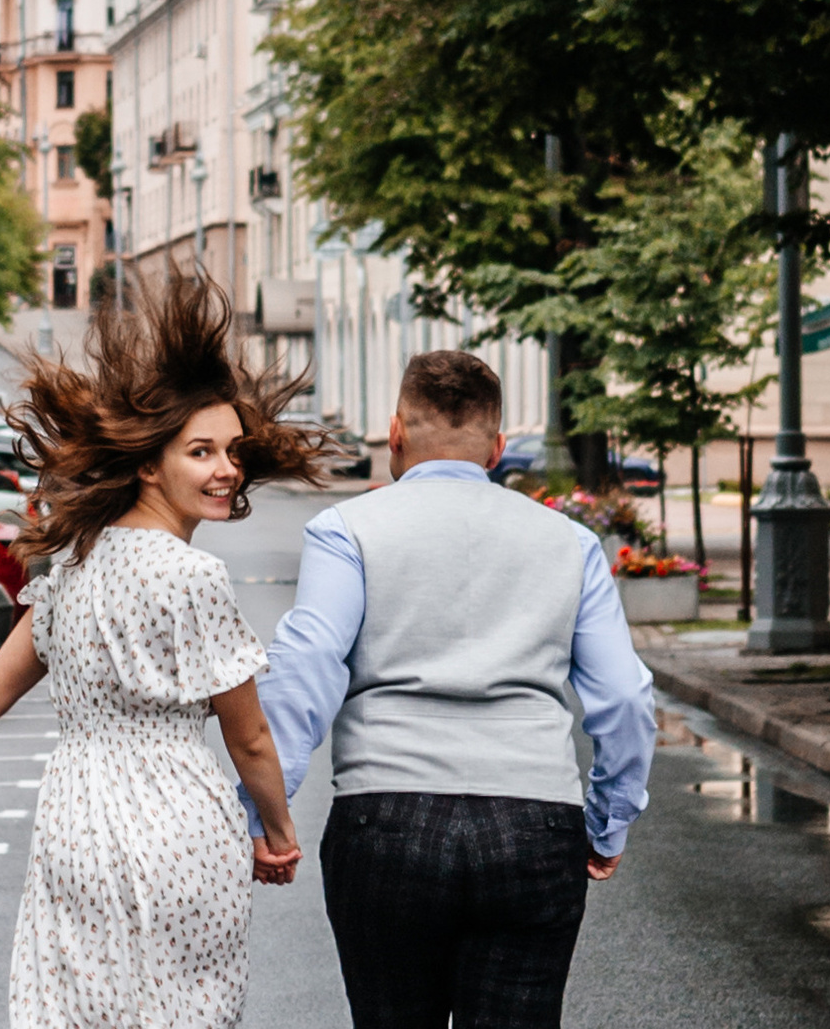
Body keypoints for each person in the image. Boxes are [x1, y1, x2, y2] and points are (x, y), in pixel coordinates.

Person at [0, 273, 330, 1029]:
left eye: (233, 451)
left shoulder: (73, 569)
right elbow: (248, 735)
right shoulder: (194, 576)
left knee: (79, 1012)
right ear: (150, 464)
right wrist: (279, 836)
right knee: (181, 1013)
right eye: (202, 452)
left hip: (73, 829)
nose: (228, 469)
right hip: (177, 828)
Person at [256, 348, 654, 1029]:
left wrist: (268, 807)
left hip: (386, 819)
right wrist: (609, 821)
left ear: (396, 434)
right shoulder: (570, 543)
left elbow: (308, 664)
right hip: (534, 821)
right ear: (497, 447)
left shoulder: (346, 530)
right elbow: (624, 697)